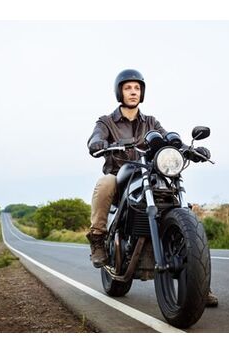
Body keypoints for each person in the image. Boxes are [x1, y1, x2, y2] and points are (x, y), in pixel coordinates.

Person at [86, 69, 218, 307]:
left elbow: (167, 139)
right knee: (104, 182)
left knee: (176, 198)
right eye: (128, 88)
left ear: (142, 92)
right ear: (120, 92)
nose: (133, 92)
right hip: (121, 176)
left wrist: (190, 150)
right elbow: (95, 139)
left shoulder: (151, 122)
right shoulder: (106, 122)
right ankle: (97, 238)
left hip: (149, 173)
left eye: (137, 88)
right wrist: (100, 143)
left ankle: (198, 284)